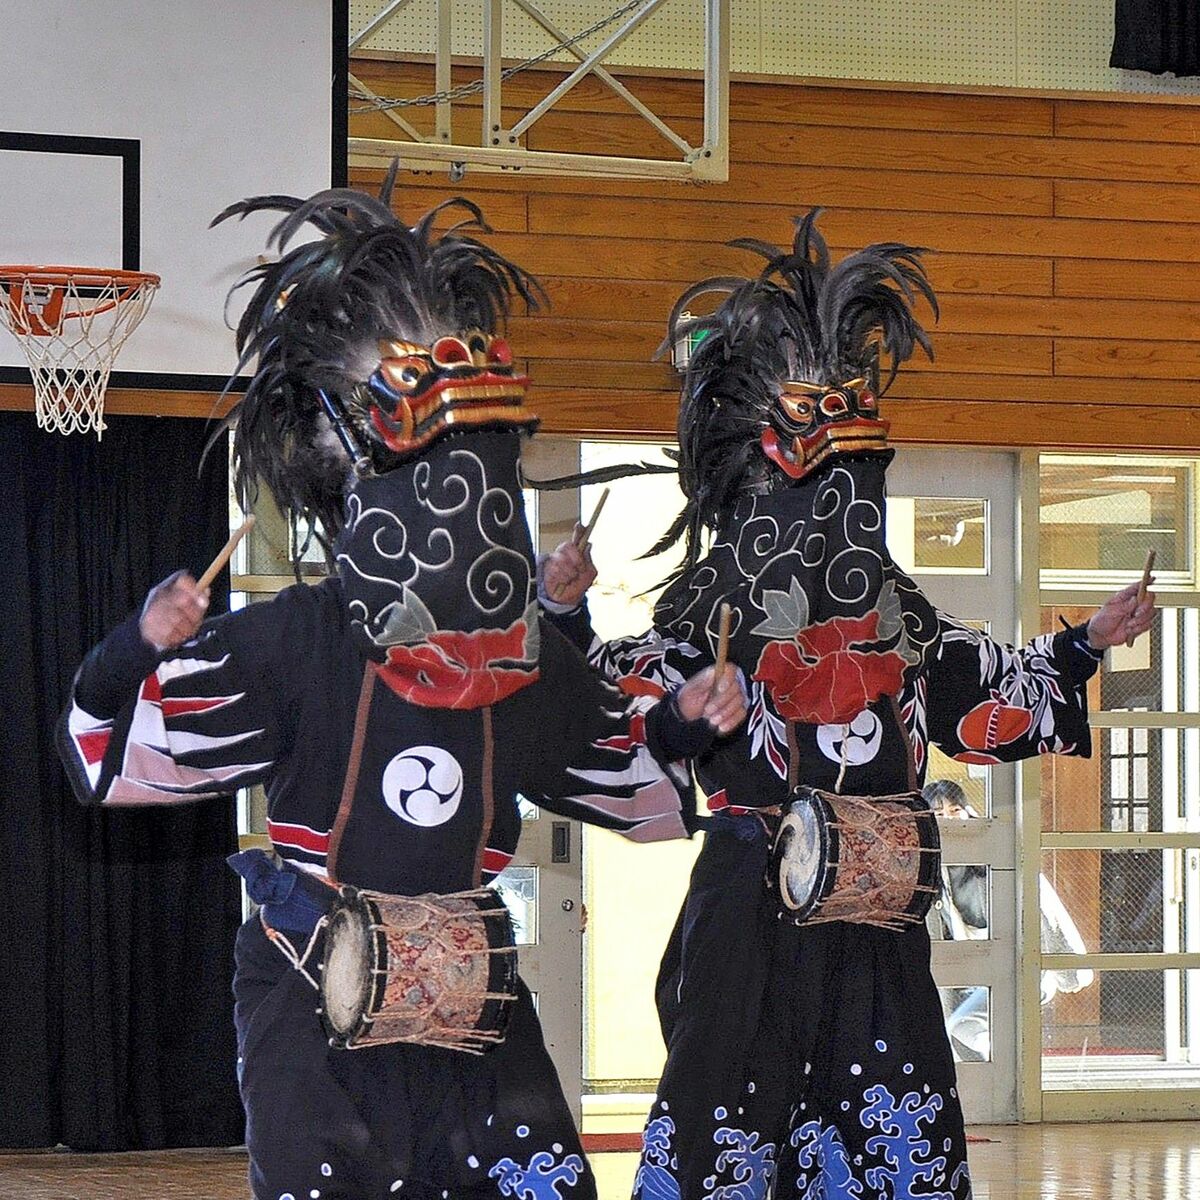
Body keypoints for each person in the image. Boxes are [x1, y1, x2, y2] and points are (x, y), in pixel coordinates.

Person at [56, 170, 745, 1200]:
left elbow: (620, 761)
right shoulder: (289, 644)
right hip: (313, 996)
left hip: (474, 996)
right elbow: (101, 758)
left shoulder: (525, 659)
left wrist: (689, 723)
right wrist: (131, 650)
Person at [540, 211, 1155, 1200]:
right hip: (750, 910)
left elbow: (979, 697)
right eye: (830, 484)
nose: (847, 509)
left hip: (876, 922)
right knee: (733, 1113)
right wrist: (565, 617)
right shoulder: (710, 614)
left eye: (861, 484)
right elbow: (597, 716)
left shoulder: (900, 617)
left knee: (887, 1113)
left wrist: (1086, 641)